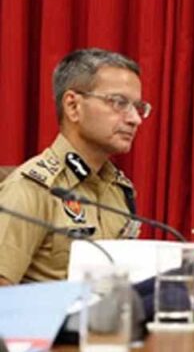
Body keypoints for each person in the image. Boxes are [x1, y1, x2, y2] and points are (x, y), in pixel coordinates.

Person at [0, 48, 150, 285]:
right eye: (119, 103)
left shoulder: (119, 190)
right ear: (73, 106)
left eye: (138, 107)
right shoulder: (31, 189)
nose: (135, 119)